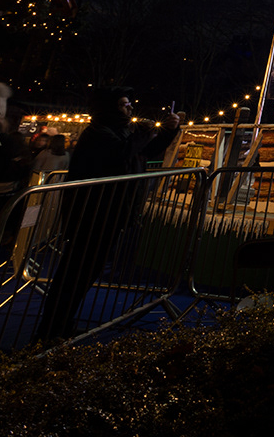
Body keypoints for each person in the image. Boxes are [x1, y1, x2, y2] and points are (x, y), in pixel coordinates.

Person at [33, 88, 180, 341]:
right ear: (110, 108)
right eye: (124, 105)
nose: (130, 108)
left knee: (86, 272)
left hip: (110, 212)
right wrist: (145, 132)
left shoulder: (119, 132)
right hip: (92, 215)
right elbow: (121, 152)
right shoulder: (99, 134)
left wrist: (169, 131)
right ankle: (51, 329)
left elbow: (142, 151)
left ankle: (62, 325)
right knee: (75, 273)